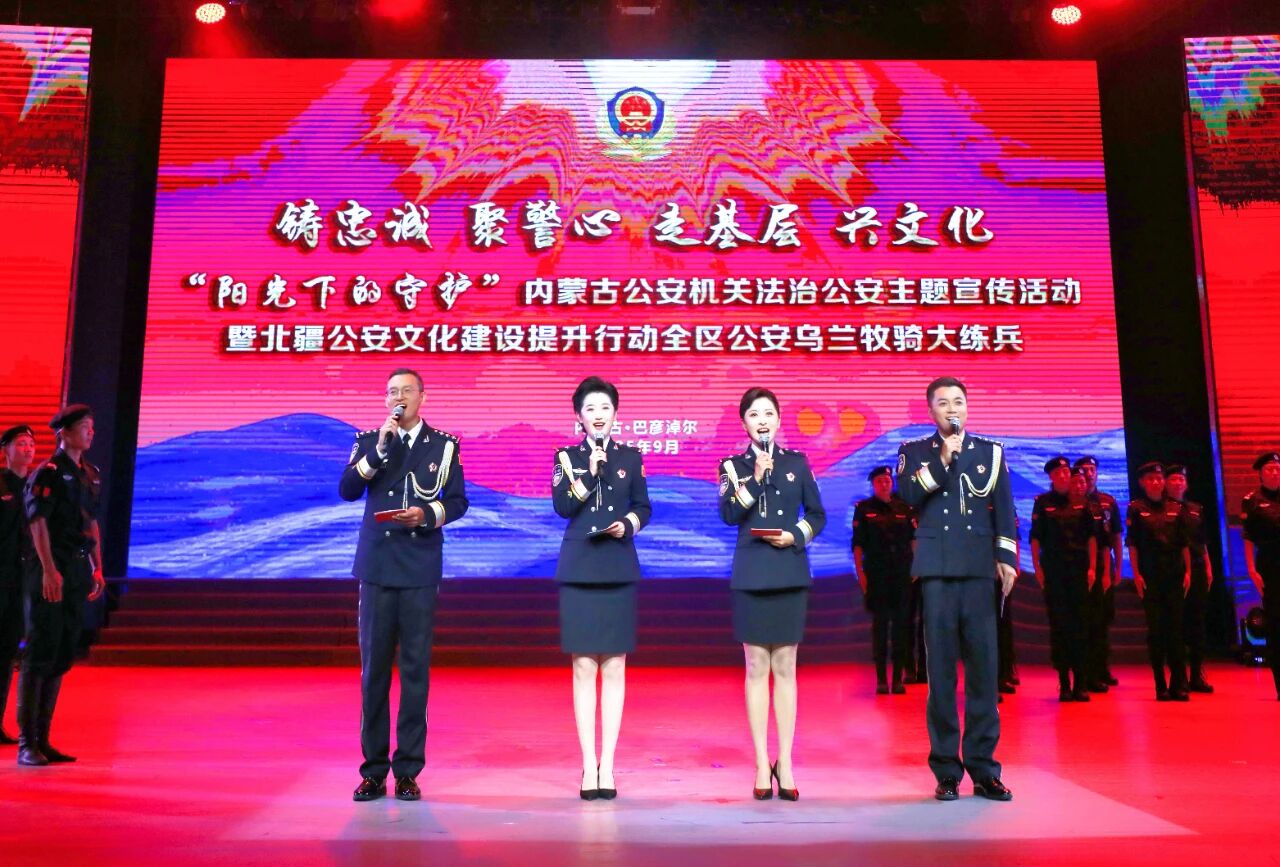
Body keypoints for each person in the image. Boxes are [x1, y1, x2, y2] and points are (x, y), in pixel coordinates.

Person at [339, 369, 468, 802]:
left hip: (419, 568)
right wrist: (377, 452)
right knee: (374, 672)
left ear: (422, 398)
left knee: (415, 672)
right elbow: (347, 489)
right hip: (377, 567)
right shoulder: (369, 441)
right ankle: (373, 771)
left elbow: (458, 501)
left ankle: (408, 771)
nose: (399, 397)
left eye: (407, 391)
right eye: (392, 391)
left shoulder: (444, 446)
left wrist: (427, 515)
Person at [896, 376, 1017, 802]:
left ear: (967, 407)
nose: (953, 409)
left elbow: (1005, 509)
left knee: (984, 670)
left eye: (959, 402)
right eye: (944, 403)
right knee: (942, 673)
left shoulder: (991, 452)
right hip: (937, 571)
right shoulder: (914, 452)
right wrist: (942, 460)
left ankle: (985, 769)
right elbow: (907, 495)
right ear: (931, 411)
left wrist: (1006, 557)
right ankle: (947, 770)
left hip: (979, 569)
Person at [719, 387, 825, 801]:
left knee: (786, 666)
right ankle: (762, 762)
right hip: (751, 573)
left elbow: (817, 514)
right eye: (754, 415)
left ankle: (787, 761)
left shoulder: (797, 463)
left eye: (768, 414)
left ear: (779, 420)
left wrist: (796, 534)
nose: (762, 421)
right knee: (755, 666)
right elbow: (729, 513)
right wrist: (755, 478)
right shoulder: (733, 466)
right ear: (744, 423)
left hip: (788, 570)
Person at [552, 376, 651, 801]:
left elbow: (643, 507)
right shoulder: (567, 457)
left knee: (613, 665)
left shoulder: (630, 456)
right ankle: (587, 762)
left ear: (615, 414)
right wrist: (587, 476)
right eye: (590, 408)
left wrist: (627, 524)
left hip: (617, 565)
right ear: (579, 416)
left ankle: (607, 764)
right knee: (582, 667)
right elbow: (562, 505)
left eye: (605, 407)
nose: (598, 415)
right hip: (579, 568)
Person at [20, 406, 106, 766]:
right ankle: (27, 743)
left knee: (61, 653)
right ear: (65, 433)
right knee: (41, 650)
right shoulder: (49, 473)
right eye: (84, 427)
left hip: (76, 569)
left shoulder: (90, 474)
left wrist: (98, 568)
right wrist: (48, 570)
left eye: (92, 427)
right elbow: (38, 523)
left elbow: (91, 523)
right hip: (50, 568)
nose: (90, 433)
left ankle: (44, 738)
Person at [1030, 459, 1098, 702]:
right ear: (1051, 477)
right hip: (1054, 572)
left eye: (1066, 471)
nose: (1063, 475)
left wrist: (1092, 568)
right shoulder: (1043, 503)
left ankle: (1080, 681)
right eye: (1058, 472)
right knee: (1059, 626)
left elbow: (1092, 537)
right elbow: (1036, 538)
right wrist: (1037, 568)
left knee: (1080, 625)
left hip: (1078, 570)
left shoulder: (1082, 502)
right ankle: (1064, 683)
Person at [1125, 462, 1191, 701]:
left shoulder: (1176, 507)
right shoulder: (1136, 508)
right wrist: (1136, 573)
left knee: (1176, 630)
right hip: (1150, 577)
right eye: (1151, 478)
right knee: (1156, 631)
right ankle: (1160, 684)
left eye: (1159, 478)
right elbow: (1132, 544)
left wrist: (1188, 572)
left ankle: (1178, 683)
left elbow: (1184, 544)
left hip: (1174, 575)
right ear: (1142, 483)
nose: (1156, 482)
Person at [852, 466, 915, 695]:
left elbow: (913, 540)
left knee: (901, 627)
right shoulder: (864, 509)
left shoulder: (904, 508)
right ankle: (881, 679)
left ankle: (897, 678)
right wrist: (860, 573)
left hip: (901, 574)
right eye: (879, 481)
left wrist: (916, 567)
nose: (884, 484)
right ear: (873, 484)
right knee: (880, 627)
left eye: (887, 480)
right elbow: (858, 544)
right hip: (877, 575)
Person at [0, 424, 36, 744]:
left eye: (31, 444)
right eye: (20, 443)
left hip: (22, 580)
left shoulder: (37, 486)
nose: (27, 449)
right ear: (6, 450)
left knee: (7, 650)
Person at [1164, 464, 1214, 693]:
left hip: (1197, 568)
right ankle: (1179, 676)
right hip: (1173, 571)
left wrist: (1209, 567)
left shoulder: (1195, 509)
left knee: (1197, 623)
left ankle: (1196, 675)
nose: (1178, 483)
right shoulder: (1161, 508)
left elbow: (1202, 542)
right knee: (1176, 624)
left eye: (1181, 479)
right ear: (1166, 483)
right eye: (1173, 479)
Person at [1075, 456, 1123, 690]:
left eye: (1092, 469)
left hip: (1104, 565)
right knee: (1085, 620)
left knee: (1102, 619)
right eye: (1084, 469)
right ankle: (1087, 672)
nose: (1088, 473)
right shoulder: (1072, 501)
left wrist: (1118, 568)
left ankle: (1102, 668)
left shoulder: (1107, 501)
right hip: (1077, 566)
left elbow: (1115, 536)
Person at [1241, 451, 1280, 700]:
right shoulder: (1252, 500)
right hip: (1270, 565)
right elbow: (1248, 537)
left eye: (1278, 468)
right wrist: (1251, 569)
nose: (1275, 473)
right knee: (1276, 623)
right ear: (1261, 474)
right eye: (1270, 469)